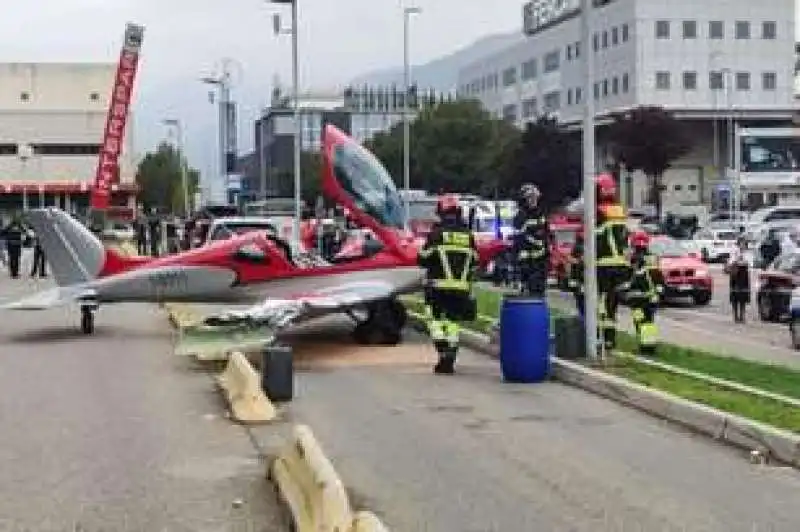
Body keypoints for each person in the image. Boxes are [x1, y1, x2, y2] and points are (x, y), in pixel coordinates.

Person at [418, 194, 479, 375]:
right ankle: (451, 351)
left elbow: (423, 258)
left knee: (433, 317)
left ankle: (442, 348)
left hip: (437, 285)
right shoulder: (468, 235)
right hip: (460, 288)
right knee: (453, 321)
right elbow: (475, 259)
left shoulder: (437, 234)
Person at [595, 173, 631, 352]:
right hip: (620, 264)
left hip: (603, 265)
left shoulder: (597, 212)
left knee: (600, 304)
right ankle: (610, 340)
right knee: (612, 304)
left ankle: (601, 338)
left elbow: (595, 239)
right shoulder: (618, 209)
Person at [623, 230, 664, 355]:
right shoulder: (652, 257)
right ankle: (650, 347)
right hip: (650, 297)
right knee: (649, 322)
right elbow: (658, 277)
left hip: (636, 299)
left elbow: (629, 278)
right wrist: (658, 293)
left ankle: (644, 347)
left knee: (640, 322)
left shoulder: (632, 259)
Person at [513, 183, 550, 298]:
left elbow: (546, 233)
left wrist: (547, 249)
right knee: (529, 293)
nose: (533, 201)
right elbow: (519, 238)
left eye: (535, 197)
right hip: (527, 262)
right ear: (524, 199)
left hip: (541, 261)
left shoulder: (541, 214)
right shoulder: (520, 217)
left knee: (540, 291)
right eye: (530, 198)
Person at [726, 236, 751, 323]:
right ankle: (735, 315)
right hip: (735, 274)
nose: (743, 245)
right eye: (741, 243)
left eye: (744, 244)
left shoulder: (748, 253)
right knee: (735, 296)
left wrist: (742, 259)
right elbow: (731, 262)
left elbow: (749, 262)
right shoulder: (734, 251)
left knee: (743, 296)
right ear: (738, 244)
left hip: (744, 274)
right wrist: (737, 258)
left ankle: (742, 315)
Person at [567, 229, 585, 319]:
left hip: (580, 278)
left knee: (580, 298)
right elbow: (571, 260)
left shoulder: (578, 247)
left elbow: (571, 260)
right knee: (580, 298)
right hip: (579, 278)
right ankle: (582, 315)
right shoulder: (578, 247)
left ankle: (582, 315)